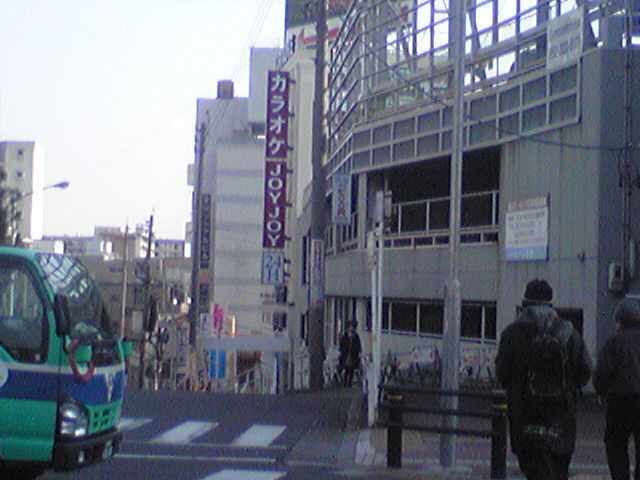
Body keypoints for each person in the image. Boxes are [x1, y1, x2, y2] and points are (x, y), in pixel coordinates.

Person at [495, 279, 592, 480]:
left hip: (525, 416)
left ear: (525, 302)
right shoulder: (568, 332)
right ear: (550, 302)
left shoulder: (513, 332)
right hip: (561, 417)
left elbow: (502, 374)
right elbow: (585, 371)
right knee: (558, 469)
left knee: (533, 470)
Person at [593, 298, 640, 480]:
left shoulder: (614, 341)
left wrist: (601, 391)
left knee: (616, 444)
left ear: (620, 320)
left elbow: (603, 371)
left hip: (620, 399)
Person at [338, 322, 361, 387]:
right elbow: (342, 345)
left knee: (351, 370)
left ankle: (350, 383)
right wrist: (342, 352)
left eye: (352, 327)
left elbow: (358, 346)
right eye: (350, 327)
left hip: (353, 355)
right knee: (346, 369)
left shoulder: (356, 337)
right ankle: (345, 383)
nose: (351, 328)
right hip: (345, 354)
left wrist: (357, 352)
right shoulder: (345, 336)